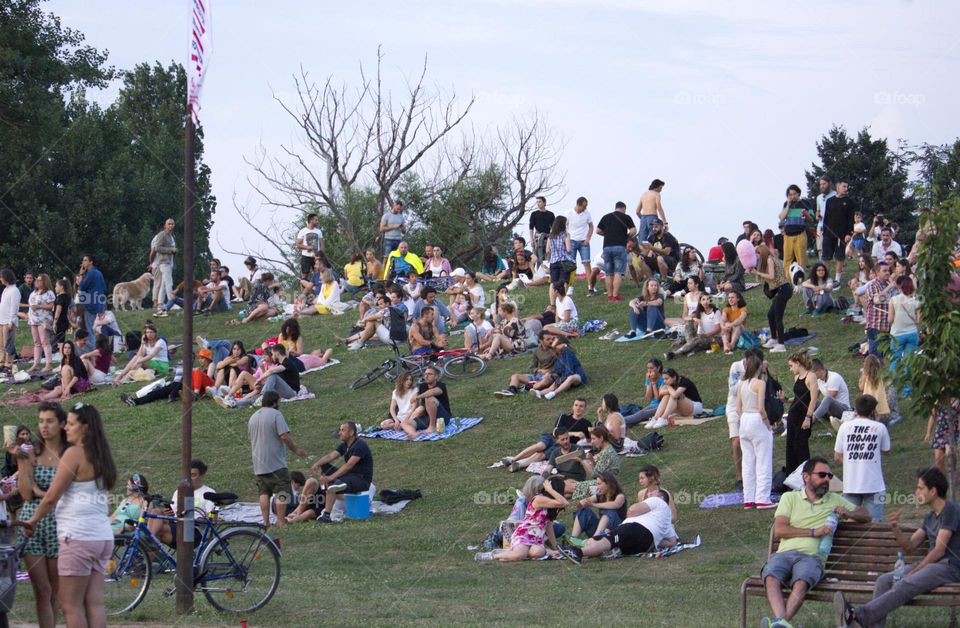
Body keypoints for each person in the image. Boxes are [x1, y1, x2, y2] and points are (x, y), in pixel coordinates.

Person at [23, 403, 118, 628]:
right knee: (94, 603)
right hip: (102, 537)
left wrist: (32, 521)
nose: (67, 428)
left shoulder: (74, 453)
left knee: (70, 604)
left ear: (84, 428)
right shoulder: (101, 454)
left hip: (78, 537)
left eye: (72, 424)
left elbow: (51, 497)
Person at [836, 467, 960, 628]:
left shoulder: (951, 510)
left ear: (933, 491)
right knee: (883, 581)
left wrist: (915, 572)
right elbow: (909, 546)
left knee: (904, 583)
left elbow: (939, 550)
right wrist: (895, 527)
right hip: (933, 566)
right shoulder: (929, 517)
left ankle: (855, 615)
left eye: (920, 488)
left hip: (950, 567)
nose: (916, 492)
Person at [758, 456, 870, 627]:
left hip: (812, 557)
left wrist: (849, 514)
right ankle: (781, 622)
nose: (827, 479)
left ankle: (779, 623)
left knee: (802, 580)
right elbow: (779, 531)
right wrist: (814, 532)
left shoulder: (834, 499)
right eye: (822, 475)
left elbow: (866, 515)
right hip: (784, 554)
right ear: (806, 477)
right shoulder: (790, 498)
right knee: (771, 577)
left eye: (829, 476)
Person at [16, 402, 68, 628]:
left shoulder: (70, 453)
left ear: (62, 424)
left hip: (59, 522)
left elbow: (65, 492)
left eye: (49, 421)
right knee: (42, 589)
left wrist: (41, 490)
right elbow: (26, 494)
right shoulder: (31, 452)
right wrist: (22, 463)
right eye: (41, 421)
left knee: (56, 589)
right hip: (32, 522)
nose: (44, 426)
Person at [568, 488, 677, 563]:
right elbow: (672, 541)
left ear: (661, 497)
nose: (648, 495)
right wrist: (656, 540)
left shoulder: (657, 501)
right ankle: (610, 551)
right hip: (645, 545)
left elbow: (632, 511)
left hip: (635, 528)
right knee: (598, 540)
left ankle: (579, 553)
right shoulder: (667, 518)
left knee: (607, 541)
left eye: (652, 493)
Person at [248, 390, 307, 529]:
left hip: (258, 463)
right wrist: (296, 450)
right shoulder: (276, 414)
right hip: (275, 462)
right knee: (282, 491)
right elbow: (284, 436)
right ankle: (281, 521)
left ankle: (266, 522)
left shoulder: (253, 417)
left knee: (264, 493)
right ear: (274, 402)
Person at [475, 475, 568, 562]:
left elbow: (549, 526)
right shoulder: (538, 499)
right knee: (519, 555)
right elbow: (565, 503)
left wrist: (555, 547)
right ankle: (493, 555)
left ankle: (508, 552)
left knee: (538, 552)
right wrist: (550, 489)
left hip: (536, 539)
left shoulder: (550, 505)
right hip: (524, 534)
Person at [832, 394, 890, 522]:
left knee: (849, 522)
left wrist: (853, 462)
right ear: (873, 410)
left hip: (851, 484)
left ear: (857, 409)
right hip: (874, 484)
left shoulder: (844, 427)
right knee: (874, 525)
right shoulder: (880, 428)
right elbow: (886, 450)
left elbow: (837, 456)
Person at [500, 399, 592, 471]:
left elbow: (590, 441)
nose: (578, 408)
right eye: (576, 405)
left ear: (585, 408)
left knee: (543, 454)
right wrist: (575, 434)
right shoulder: (564, 416)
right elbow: (555, 431)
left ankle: (519, 465)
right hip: (551, 437)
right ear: (573, 407)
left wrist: (585, 439)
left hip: (562, 444)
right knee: (540, 446)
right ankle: (513, 460)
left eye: (581, 406)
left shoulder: (586, 423)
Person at [309, 421, 374, 523]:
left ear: (351, 432)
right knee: (325, 465)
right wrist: (317, 464)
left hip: (361, 480)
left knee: (333, 485)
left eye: (343, 430)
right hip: (350, 476)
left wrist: (331, 477)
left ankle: (326, 515)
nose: (339, 433)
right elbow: (330, 456)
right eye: (340, 430)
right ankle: (327, 485)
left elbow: (349, 465)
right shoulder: (344, 445)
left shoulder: (360, 444)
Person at [736, 352, 776, 510]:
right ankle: (762, 499)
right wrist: (768, 425)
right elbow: (761, 408)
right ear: (759, 367)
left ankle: (748, 498)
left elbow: (738, 408)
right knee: (763, 461)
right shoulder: (760, 383)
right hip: (756, 420)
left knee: (748, 462)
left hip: (744, 420)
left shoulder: (741, 383)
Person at [147, 459, 217, 547]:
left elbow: (213, 518)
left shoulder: (208, 493)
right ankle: (148, 541)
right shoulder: (179, 491)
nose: (190, 479)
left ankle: (147, 541)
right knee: (155, 512)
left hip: (194, 530)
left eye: (193, 475)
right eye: (188, 475)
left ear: (201, 476)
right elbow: (173, 511)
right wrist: (165, 513)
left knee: (159, 532)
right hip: (177, 524)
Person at [120, 348, 215, 406]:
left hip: (199, 388)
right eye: (199, 358)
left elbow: (208, 378)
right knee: (159, 392)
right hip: (186, 386)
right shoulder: (198, 368)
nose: (200, 360)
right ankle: (135, 401)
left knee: (190, 375)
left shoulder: (211, 365)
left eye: (202, 358)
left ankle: (194, 395)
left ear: (208, 359)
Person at [754, 244, 793, 353]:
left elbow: (771, 276)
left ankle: (781, 345)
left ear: (761, 253)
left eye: (757, 254)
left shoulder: (770, 260)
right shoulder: (769, 260)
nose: (756, 257)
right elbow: (762, 279)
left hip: (783, 289)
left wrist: (757, 272)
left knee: (777, 317)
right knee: (770, 315)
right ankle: (774, 339)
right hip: (781, 290)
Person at [785, 350, 819, 474]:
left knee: (801, 445)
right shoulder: (796, 377)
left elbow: (813, 399)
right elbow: (798, 397)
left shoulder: (811, 376)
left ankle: (805, 473)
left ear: (798, 363)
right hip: (793, 414)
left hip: (803, 416)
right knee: (791, 445)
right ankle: (791, 473)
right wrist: (786, 399)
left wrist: (808, 417)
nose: (790, 369)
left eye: (791, 365)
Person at [595, 201, 637, 301]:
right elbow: (633, 231)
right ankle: (615, 295)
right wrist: (626, 237)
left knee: (608, 273)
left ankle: (609, 296)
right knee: (618, 272)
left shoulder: (605, 217)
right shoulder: (626, 217)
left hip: (607, 247)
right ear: (624, 209)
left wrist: (607, 235)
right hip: (620, 247)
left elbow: (598, 231)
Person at [570, 471, 627, 539]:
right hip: (601, 530)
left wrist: (594, 505)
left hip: (615, 531)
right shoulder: (600, 496)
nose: (597, 487)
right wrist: (582, 503)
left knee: (609, 511)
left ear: (608, 484)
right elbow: (586, 502)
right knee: (584, 511)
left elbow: (615, 505)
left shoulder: (620, 496)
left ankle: (595, 539)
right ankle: (572, 539)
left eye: (599, 484)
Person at [665, 293, 722, 360]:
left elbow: (718, 329)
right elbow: (685, 318)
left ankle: (674, 353)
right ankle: (690, 346)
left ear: (710, 300)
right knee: (688, 324)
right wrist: (693, 318)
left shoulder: (716, 311)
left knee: (696, 340)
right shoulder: (699, 311)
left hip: (714, 337)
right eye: (703, 300)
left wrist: (707, 335)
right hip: (701, 335)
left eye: (707, 299)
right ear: (700, 302)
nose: (706, 301)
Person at [531, 336, 586, 400]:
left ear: (562, 344)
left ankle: (554, 393)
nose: (552, 342)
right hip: (564, 377)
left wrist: (559, 381)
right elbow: (558, 371)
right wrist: (552, 375)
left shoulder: (567, 352)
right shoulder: (558, 355)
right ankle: (539, 393)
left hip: (577, 376)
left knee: (570, 378)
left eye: (555, 341)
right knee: (552, 386)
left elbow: (569, 372)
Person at [404, 365, 452, 439]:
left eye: (429, 374)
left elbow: (432, 392)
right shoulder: (422, 386)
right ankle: (414, 433)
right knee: (405, 423)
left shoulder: (441, 385)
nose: (426, 376)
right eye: (425, 374)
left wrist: (417, 397)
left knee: (429, 398)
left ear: (436, 376)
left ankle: (432, 426)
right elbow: (416, 403)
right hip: (428, 417)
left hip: (442, 418)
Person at [822, 179, 855, 283]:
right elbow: (826, 218)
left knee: (839, 257)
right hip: (828, 234)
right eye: (844, 186)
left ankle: (837, 280)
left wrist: (849, 233)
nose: (846, 189)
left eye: (847, 187)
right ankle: (826, 279)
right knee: (826, 257)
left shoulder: (849, 202)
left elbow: (851, 219)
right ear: (838, 187)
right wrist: (824, 232)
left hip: (842, 235)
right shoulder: (829, 201)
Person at [779, 183, 814, 272]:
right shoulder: (786, 204)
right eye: (790, 194)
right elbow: (782, 217)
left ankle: (802, 280)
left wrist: (806, 215)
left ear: (798, 193)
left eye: (794, 194)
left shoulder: (806, 203)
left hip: (800, 234)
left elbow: (811, 220)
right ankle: (788, 281)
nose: (792, 196)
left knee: (801, 259)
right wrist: (788, 205)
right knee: (787, 259)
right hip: (788, 235)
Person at [623, 358, 666, 427]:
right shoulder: (650, 378)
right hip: (652, 405)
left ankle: (619, 421)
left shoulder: (663, 380)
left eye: (651, 368)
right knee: (640, 414)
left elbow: (658, 398)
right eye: (648, 368)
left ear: (658, 368)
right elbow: (648, 396)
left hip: (660, 407)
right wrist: (649, 382)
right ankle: (621, 424)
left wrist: (653, 383)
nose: (649, 370)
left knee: (642, 414)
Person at [75, 255, 105, 352]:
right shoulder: (99, 273)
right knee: (96, 329)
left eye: (85, 260)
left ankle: (94, 353)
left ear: (91, 262)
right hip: (99, 303)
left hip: (90, 305)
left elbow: (82, 286)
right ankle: (99, 351)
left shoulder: (90, 273)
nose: (83, 262)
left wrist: (81, 275)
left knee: (90, 330)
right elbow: (104, 288)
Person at [27, 273, 56, 374]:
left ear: (44, 282)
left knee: (45, 342)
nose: (37, 282)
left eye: (39, 280)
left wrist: (39, 306)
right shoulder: (34, 292)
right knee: (36, 342)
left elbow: (51, 306)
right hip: (33, 320)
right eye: (37, 280)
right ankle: (36, 363)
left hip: (43, 320)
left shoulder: (49, 293)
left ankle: (48, 363)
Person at [888, 275, 919, 369]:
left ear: (899, 287)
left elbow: (890, 320)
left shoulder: (893, 300)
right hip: (913, 333)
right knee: (909, 362)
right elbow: (918, 320)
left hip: (897, 334)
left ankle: (894, 381)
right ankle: (907, 383)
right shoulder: (917, 300)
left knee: (895, 359)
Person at [864, 262, 895, 358]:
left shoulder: (888, 284)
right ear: (877, 272)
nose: (887, 273)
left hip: (887, 325)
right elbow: (877, 300)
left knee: (884, 354)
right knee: (874, 355)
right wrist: (889, 287)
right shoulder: (873, 285)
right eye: (884, 271)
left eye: (888, 271)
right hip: (875, 325)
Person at [808, 358, 851, 425]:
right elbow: (814, 396)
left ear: (818, 370)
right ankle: (805, 418)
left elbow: (830, 398)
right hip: (830, 412)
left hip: (843, 411)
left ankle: (811, 420)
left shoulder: (834, 378)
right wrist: (788, 400)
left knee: (828, 399)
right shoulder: (819, 380)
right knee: (811, 400)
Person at [149, 218, 177, 313]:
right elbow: (157, 248)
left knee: (164, 284)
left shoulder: (170, 236)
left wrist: (173, 251)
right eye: (169, 224)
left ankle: (160, 303)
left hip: (168, 262)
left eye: (172, 224)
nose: (171, 226)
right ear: (165, 225)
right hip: (163, 262)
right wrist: (171, 250)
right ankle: (171, 303)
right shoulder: (162, 235)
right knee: (169, 283)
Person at [566, 196, 594, 290]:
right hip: (572, 241)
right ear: (578, 205)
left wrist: (588, 238)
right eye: (583, 206)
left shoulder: (587, 214)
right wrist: (567, 242)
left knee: (587, 263)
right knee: (571, 265)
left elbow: (591, 227)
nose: (585, 208)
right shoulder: (568, 213)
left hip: (583, 242)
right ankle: (570, 286)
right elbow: (564, 229)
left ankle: (591, 286)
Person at [925, 399, 959, 474]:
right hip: (939, 432)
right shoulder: (937, 400)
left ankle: (953, 473)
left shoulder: (956, 400)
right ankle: (943, 479)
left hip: (952, 431)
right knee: (938, 458)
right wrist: (928, 433)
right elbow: (932, 416)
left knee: (950, 454)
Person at [0, 269, 20, 374]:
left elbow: (14, 306)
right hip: (1, 320)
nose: (0, 279)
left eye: (1, 277)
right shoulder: (5, 289)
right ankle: (1, 361)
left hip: (9, 321)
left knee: (8, 343)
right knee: (1, 344)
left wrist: (11, 321)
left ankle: (9, 362)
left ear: (6, 278)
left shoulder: (14, 290)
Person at [635, 179, 667, 244]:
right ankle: (652, 253)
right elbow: (659, 208)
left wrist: (642, 219)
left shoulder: (643, 195)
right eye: (660, 187)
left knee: (642, 240)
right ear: (657, 186)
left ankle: (642, 253)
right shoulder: (656, 194)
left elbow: (637, 211)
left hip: (643, 218)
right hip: (652, 217)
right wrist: (665, 222)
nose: (661, 190)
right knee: (654, 237)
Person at [295, 212, 325, 278]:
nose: (317, 221)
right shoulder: (303, 231)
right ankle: (304, 288)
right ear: (311, 220)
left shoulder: (318, 231)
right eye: (316, 220)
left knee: (318, 274)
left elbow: (322, 244)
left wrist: (321, 255)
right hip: (306, 256)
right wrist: (307, 247)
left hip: (316, 256)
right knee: (304, 275)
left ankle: (318, 288)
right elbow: (297, 245)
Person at [528, 196, 554, 263]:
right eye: (537, 202)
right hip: (538, 238)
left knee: (548, 256)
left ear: (544, 203)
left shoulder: (550, 214)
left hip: (548, 238)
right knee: (537, 257)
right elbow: (531, 228)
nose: (538, 203)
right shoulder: (534, 214)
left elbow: (553, 228)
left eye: (540, 202)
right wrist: (532, 240)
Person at [815, 175, 835, 261]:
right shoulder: (818, 197)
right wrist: (817, 215)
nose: (822, 186)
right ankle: (821, 266)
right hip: (821, 226)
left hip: (833, 226)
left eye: (824, 184)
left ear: (829, 183)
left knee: (832, 247)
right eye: (820, 184)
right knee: (820, 248)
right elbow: (818, 211)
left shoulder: (836, 194)